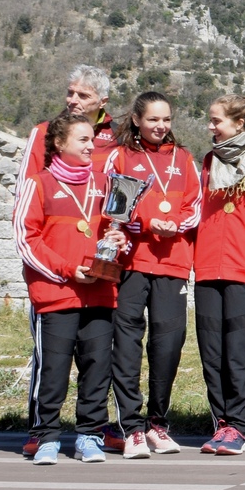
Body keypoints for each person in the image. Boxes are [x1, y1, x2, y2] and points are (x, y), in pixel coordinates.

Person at [15, 64, 116, 458]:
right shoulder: (39, 184)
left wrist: (117, 240)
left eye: (93, 139)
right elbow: (26, 237)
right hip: (57, 292)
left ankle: (90, 434)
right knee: (53, 369)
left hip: (99, 292)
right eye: (83, 140)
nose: (92, 147)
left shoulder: (105, 185)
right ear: (58, 143)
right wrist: (65, 269)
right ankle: (46, 436)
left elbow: (115, 230)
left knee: (97, 367)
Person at [101, 92, 201, 457]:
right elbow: (112, 207)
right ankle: (131, 427)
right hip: (131, 262)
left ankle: (158, 424)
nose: (161, 126)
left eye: (166, 119)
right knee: (126, 344)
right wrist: (146, 221)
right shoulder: (121, 156)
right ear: (137, 120)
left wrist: (174, 223)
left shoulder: (184, 158)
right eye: (153, 119)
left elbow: (195, 206)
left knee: (168, 345)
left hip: (173, 261)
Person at [192, 92, 245, 456]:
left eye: (216, 121)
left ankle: (238, 426)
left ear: (240, 123)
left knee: (237, 354)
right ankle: (220, 423)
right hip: (208, 266)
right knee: (212, 353)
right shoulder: (210, 160)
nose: (210, 126)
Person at [17, 65, 117, 181]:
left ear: (103, 102)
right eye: (70, 93)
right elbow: (27, 181)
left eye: (83, 96)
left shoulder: (118, 136)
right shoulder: (44, 132)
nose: (73, 101)